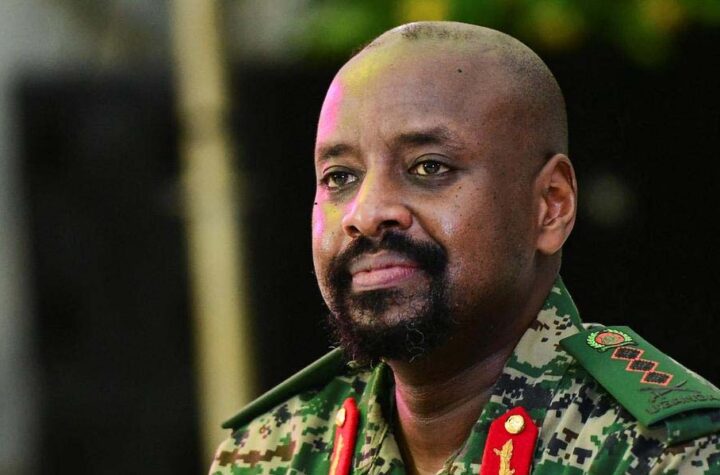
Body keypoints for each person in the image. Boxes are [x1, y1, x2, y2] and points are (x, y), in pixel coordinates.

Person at [209, 21, 720, 475]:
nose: (365, 213)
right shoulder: (274, 450)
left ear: (550, 205)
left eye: (429, 167)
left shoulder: (665, 453)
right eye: (340, 177)